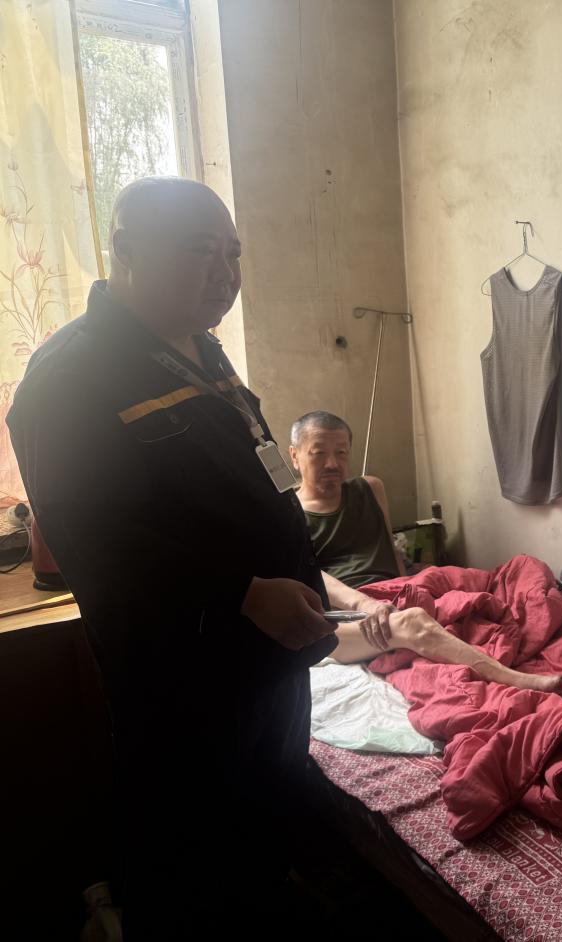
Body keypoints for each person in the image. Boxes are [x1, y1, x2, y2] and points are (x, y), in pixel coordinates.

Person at [7, 177, 339, 938]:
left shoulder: (200, 347)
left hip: (268, 661)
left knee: (263, 837)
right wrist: (240, 592)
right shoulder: (70, 377)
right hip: (186, 681)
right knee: (193, 863)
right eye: (200, 251)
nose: (225, 273)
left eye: (233, 254)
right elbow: (97, 543)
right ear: (125, 250)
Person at [290, 410, 562, 692]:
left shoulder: (370, 489)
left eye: (341, 453)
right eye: (318, 453)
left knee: (517, 575)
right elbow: (311, 578)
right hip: (342, 622)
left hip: (393, 596)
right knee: (412, 623)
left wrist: (411, 588)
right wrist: (364, 604)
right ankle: (516, 680)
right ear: (295, 456)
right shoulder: (289, 514)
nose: (332, 463)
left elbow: (389, 548)